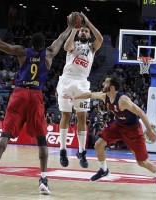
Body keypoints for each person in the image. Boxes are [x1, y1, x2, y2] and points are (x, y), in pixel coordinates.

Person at [0, 8, 76, 195]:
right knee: (42, 141)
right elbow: (60, 39)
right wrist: (70, 27)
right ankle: (43, 180)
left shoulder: (21, 52)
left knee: (5, 135)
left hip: (19, 94)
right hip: (35, 96)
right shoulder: (49, 54)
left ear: (30, 43)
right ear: (43, 45)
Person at [63, 75, 156, 193]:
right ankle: (104, 170)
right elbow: (90, 94)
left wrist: (149, 130)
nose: (103, 84)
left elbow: (141, 112)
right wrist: (74, 96)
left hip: (133, 130)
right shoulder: (105, 96)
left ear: (112, 87)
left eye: (105, 83)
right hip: (118, 126)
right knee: (98, 144)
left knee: (142, 162)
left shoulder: (123, 101)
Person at [57, 12, 103, 168]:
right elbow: (65, 46)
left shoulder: (92, 48)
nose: (83, 32)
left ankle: (82, 151)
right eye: (82, 30)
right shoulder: (74, 44)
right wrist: (74, 29)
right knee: (66, 115)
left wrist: (88, 22)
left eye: (86, 31)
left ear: (89, 35)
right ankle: (63, 150)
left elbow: (101, 39)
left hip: (82, 83)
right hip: (67, 81)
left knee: (82, 117)